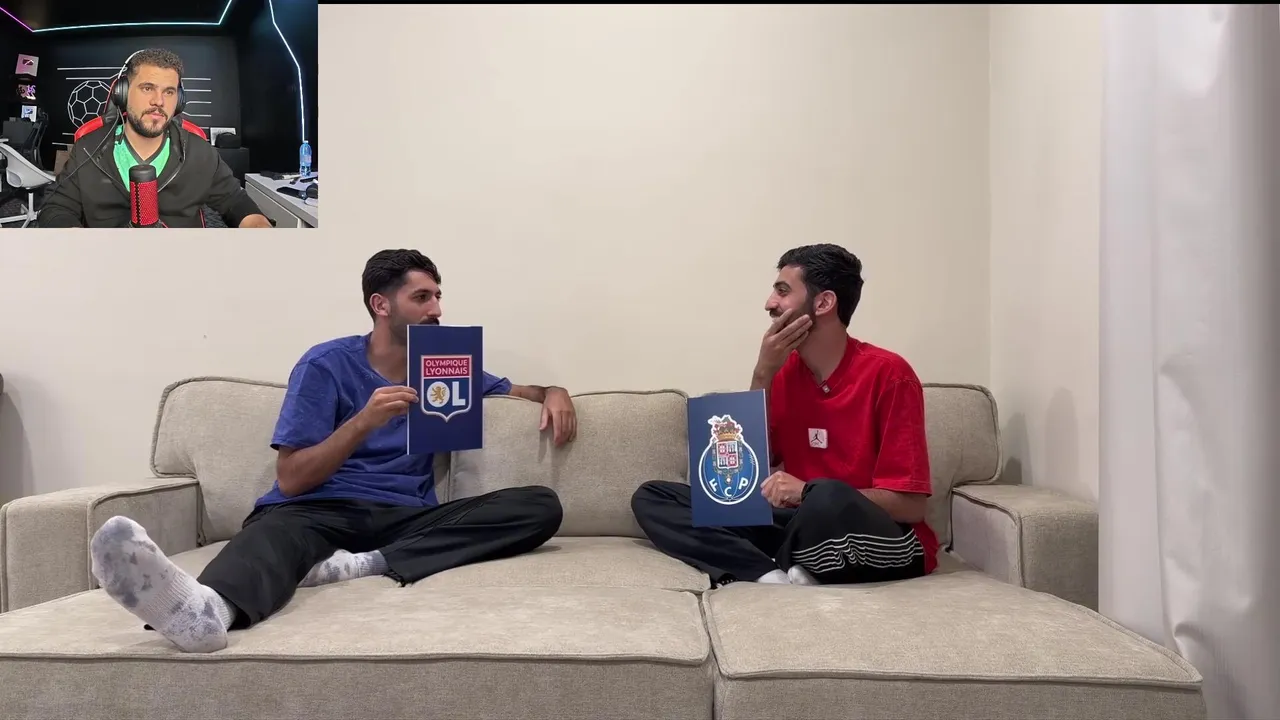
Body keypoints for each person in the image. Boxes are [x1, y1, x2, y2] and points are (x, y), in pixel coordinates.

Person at [90, 249, 577, 652]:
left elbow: (518, 390)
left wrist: (553, 391)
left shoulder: (445, 361)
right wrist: (363, 421)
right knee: (272, 533)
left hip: (405, 516)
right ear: (381, 305)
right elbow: (291, 479)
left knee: (539, 506)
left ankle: (362, 564)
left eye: (438, 296)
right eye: (421, 297)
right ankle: (205, 613)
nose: (437, 310)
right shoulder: (325, 365)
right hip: (318, 509)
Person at [632, 243, 938, 587]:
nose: (769, 303)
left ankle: (802, 560)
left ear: (823, 303)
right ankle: (768, 572)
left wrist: (806, 491)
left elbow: (911, 507)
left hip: (875, 535)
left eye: (782, 291)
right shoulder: (783, 372)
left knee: (828, 495)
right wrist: (762, 373)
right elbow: (742, 476)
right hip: (799, 524)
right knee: (653, 496)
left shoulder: (890, 374)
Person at [40, 48, 272, 228]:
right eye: (147, 88)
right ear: (123, 94)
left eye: (169, 92)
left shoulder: (200, 152)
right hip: (107, 264)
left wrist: (257, 225)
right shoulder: (88, 149)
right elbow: (56, 206)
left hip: (179, 266)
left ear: (179, 101)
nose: (159, 101)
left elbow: (236, 202)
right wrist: (76, 240)